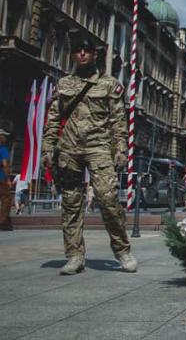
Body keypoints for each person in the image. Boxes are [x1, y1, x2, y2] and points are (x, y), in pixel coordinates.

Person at [41, 30, 136, 275]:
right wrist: (48, 148)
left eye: (86, 50)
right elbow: (52, 119)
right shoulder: (63, 84)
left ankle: (122, 250)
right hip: (69, 148)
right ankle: (74, 255)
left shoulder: (109, 85)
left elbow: (118, 120)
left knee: (107, 198)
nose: (81, 54)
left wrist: (121, 149)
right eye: (77, 51)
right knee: (71, 202)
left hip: (99, 147)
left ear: (95, 55)